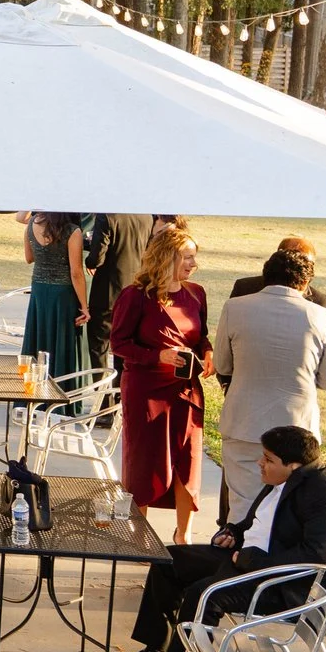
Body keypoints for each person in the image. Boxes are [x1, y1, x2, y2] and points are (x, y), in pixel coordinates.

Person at [115, 426, 326, 652]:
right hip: (255, 561)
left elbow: (313, 557)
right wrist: (235, 532)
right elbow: (261, 522)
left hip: (287, 585)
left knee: (204, 594)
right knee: (169, 561)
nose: (260, 462)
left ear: (293, 465)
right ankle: (158, 651)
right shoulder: (285, 479)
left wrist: (252, 560)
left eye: (268, 459)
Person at [215, 246, 326, 519]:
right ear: (305, 282)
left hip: (243, 422)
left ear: (266, 275)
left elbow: (222, 365)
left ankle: (239, 554)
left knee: (242, 505)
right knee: (288, 509)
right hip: (296, 426)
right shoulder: (323, 317)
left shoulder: (235, 307)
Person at [110, 225, 211, 542]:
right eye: (187, 257)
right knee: (144, 463)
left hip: (186, 389)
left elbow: (201, 335)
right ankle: (138, 535)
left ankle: (184, 535)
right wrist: (158, 356)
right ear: (166, 257)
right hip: (146, 391)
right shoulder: (136, 296)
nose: (193, 265)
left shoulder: (196, 293)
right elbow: (119, 344)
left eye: (194, 258)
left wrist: (207, 353)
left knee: (189, 458)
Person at [17, 212, 90, 388]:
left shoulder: (32, 224)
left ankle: (33, 386)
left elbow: (29, 258)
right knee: (61, 341)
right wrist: (84, 306)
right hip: (63, 294)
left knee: (38, 336)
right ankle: (60, 390)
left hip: (39, 291)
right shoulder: (73, 231)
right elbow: (76, 272)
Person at [81, 212, 154, 373]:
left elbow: (96, 259)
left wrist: (88, 256)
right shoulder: (147, 217)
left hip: (107, 291)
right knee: (124, 346)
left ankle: (104, 395)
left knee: (99, 346)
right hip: (134, 289)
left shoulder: (107, 216)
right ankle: (119, 391)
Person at [229, 234, 326, 312]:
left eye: (308, 264)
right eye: (292, 262)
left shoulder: (325, 304)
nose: (300, 267)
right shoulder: (244, 288)